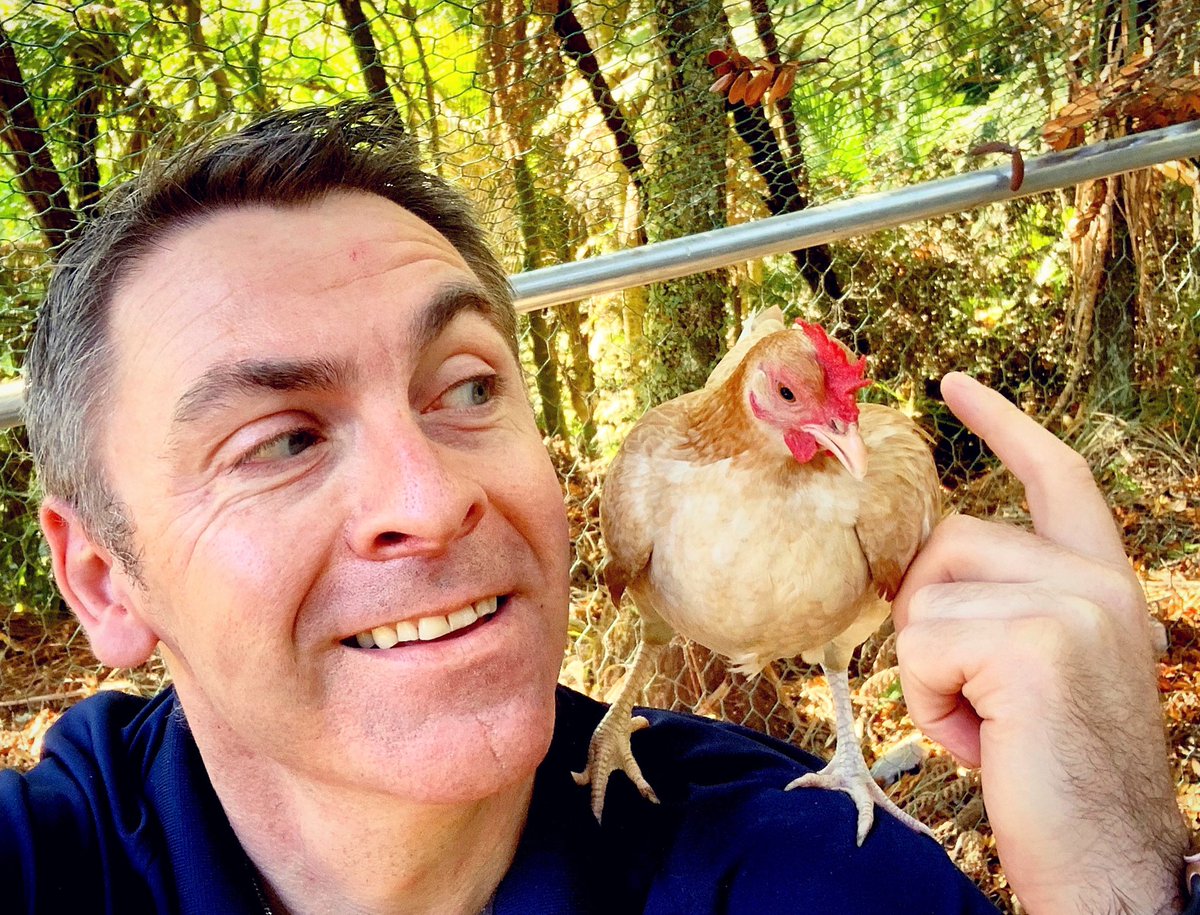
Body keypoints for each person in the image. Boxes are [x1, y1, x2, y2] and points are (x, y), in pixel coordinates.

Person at [1, 102, 1191, 914]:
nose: (432, 502)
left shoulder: (821, 880)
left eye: (468, 388)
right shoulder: (43, 860)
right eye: (281, 441)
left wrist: (1106, 865)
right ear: (104, 580)